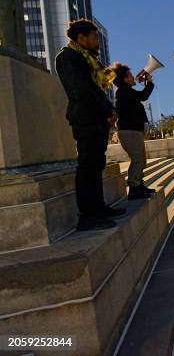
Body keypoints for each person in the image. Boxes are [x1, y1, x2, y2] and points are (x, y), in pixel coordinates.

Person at [55, 19, 125, 231]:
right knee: (87, 166)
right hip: (85, 117)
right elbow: (82, 89)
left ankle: (99, 208)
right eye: (95, 38)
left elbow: (96, 88)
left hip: (95, 117)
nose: (98, 42)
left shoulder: (88, 59)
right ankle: (88, 216)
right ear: (81, 38)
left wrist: (108, 110)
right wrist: (107, 110)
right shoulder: (68, 57)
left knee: (96, 165)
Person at [110, 62, 155, 200]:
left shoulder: (126, 91)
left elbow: (141, 96)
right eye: (130, 76)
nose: (133, 78)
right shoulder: (124, 91)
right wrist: (149, 82)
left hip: (133, 131)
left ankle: (139, 185)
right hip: (129, 131)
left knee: (141, 160)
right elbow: (143, 96)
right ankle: (134, 188)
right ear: (124, 79)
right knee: (137, 160)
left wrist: (147, 82)